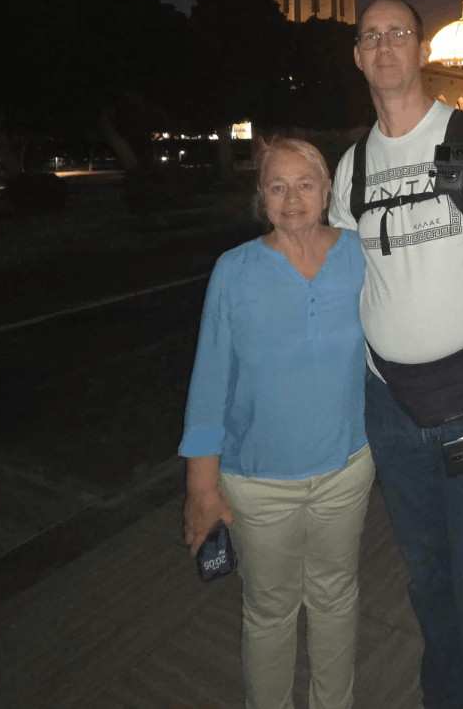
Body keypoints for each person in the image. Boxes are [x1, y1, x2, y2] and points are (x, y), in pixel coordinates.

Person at [329, 0, 463, 709]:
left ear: (423, 50)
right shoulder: (353, 167)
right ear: (357, 56)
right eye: (370, 36)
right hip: (392, 414)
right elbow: (342, 281)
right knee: (429, 588)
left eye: (398, 33)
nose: (384, 46)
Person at [181, 136, 372, 709]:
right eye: (277, 187)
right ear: (260, 196)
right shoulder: (234, 270)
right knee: (270, 611)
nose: (292, 200)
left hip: (345, 469)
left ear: (328, 190)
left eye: (305, 185)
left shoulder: (360, 255)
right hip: (258, 482)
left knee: (336, 597)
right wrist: (201, 488)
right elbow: (210, 380)